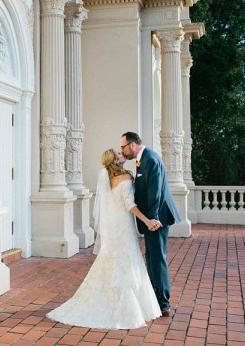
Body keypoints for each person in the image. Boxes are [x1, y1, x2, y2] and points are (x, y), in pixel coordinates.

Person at [46, 149, 162, 329]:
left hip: (113, 221)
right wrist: (147, 221)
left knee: (116, 257)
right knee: (127, 258)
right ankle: (124, 308)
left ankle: (111, 297)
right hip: (123, 222)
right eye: (119, 154)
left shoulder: (107, 177)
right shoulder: (124, 179)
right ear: (115, 161)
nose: (122, 153)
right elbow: (130, 205)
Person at [120, 131, 181, 317]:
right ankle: (154, 297)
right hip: (152, 219)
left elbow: (155, 192)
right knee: (152, 258)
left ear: (132, 145)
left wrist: (152, 219)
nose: (121, 151)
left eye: (123, 147)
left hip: (157, 218)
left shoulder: (151, 159)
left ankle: (163, 303)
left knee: (157, 259)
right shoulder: (142, 159)